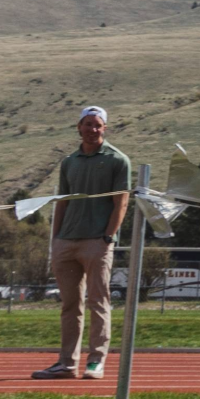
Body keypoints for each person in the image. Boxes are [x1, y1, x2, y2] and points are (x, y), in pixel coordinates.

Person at [33, 107, 132, 381]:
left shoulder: (118, 160)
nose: (93, 129)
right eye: (88, 124)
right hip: (66, 241)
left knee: (98, 301)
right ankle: (67, 363)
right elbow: (62, 203)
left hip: (96, 242)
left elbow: (121, 202)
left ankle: (95, 362)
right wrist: (56, 239)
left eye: (98, 125)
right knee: (69, 305)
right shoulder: (69, 162)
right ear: (79, 127)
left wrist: (107, 237)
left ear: (105, 128)